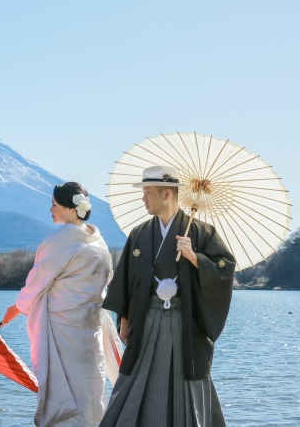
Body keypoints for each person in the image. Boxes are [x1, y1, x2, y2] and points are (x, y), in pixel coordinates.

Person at [100, 166, 236, 427]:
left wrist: (196, 258)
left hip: (185, 322)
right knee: (137, 378)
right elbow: (127, 281)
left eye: (147, 192)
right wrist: (125, 321)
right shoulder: (139, 235)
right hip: (146, 319)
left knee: (185, 381)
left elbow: (225, 269)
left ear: (166, 194)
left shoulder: (201, 232)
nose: (143, 198)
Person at [1, 182, 113, 426]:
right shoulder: (99, 242)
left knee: (66, 389)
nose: (50, 209)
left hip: (63, 327)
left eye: (53, 204)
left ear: (71, 208)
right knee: (91, 384)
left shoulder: (60, 240)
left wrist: (18, 307)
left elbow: (38, 279)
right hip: (89, 324)